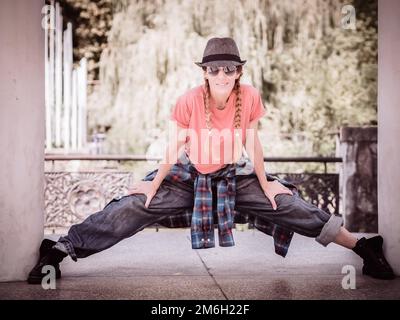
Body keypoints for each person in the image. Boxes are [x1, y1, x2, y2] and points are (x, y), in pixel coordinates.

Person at [27, 37, 395, 284]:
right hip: (188, 176)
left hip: (235, 176)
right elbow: (173, 147)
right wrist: (152, 184)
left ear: (239, 72)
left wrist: (268, 183)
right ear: (204, 72)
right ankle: (60, 248)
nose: (221, 74)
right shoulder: (189, 100)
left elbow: (253, 141)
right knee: (132, 207)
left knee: (287, 204)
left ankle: (363, 246)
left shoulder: (248, 96)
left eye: (229, 69)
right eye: (214, 69)